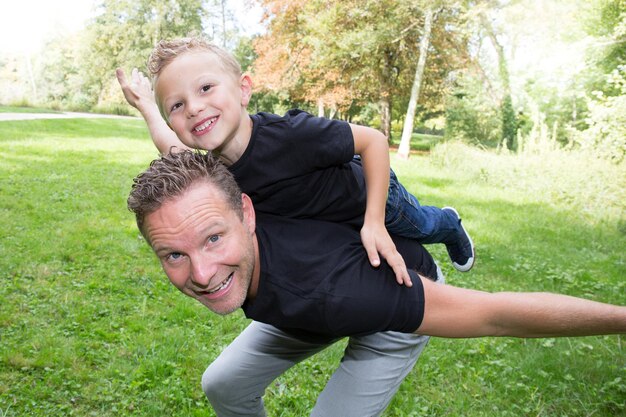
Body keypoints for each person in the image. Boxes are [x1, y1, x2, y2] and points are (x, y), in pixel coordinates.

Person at [128, 151, 626, 413]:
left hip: (383, 298)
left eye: (214, 240)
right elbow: (182, 167)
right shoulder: (214, 199)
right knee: (224, 383)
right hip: (303, 299)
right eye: (174, 253)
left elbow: (494, 314)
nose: (201, 274)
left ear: (247, 214)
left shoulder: (340, 290)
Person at [116, 36, 476, 288]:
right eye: (176, 105)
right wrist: (146, 106)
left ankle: (449, 223)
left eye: (205, 88)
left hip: (368, 195)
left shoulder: (291, 134)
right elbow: (170, 149)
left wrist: (375, 222)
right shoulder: (212, 168)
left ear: (243, 89)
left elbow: (374, 141)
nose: (193, 107)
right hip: (326, 219)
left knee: (419, 227)